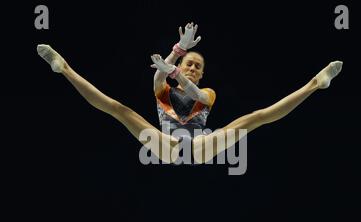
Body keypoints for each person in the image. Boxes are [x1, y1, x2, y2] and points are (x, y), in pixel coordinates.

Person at [37, 22, 342, 164]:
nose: (193, 69)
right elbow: (159, 74)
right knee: (119, 109)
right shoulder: (164, 89)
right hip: (167, 147)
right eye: (189, 63)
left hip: (200, 146)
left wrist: (175, 71)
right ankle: (64, 67)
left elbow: (195, 93)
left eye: (197, 66)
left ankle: (315, 83)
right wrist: (177, 51)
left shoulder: (205, 91)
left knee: (255, 118)